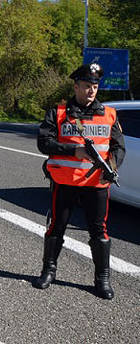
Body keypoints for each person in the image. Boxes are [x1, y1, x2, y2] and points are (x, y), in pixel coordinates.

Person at [35, 63, 125, 299]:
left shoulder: (109, 114)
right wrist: (72, 151)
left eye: (94, 86)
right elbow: (43, 143)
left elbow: (118, 147)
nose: (91, 91)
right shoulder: (59, 112)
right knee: (56, 227)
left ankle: (102, 279)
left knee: (99, 231)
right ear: (76, 86)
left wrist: (111, 168)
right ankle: (48, 271)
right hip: (64, 182)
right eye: (87, 86)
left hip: (96, 184)